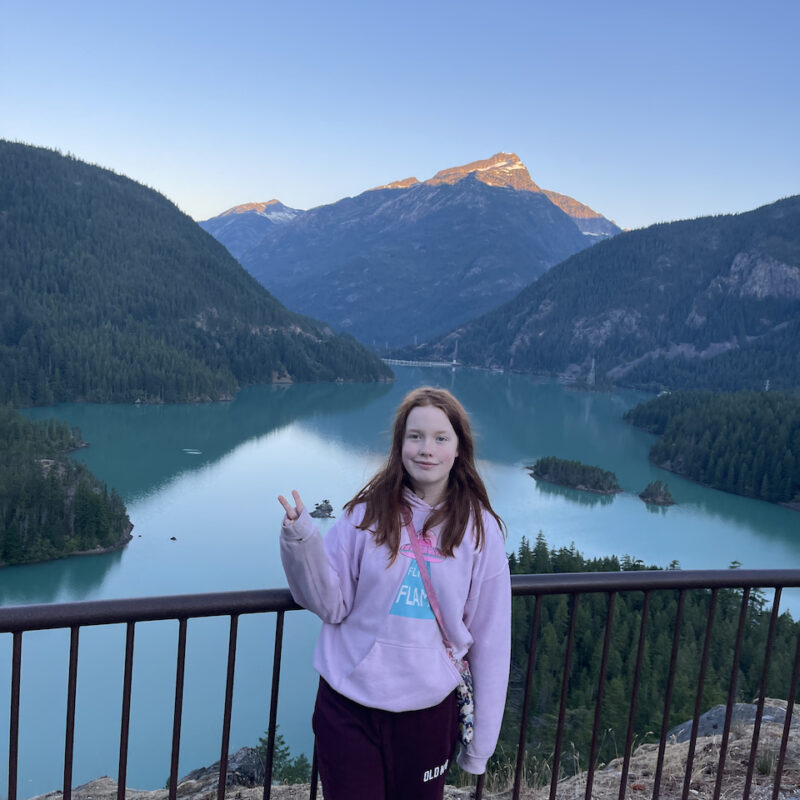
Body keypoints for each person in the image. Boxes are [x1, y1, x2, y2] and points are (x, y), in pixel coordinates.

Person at [278, 386, 511, 800]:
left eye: (441, 438)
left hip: (428, 712)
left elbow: (491, 640)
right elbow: (330, 603)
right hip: (348, 707)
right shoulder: (364, 515)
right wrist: (302, 540)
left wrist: (481, 746)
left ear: (459, 448)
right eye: (415, 436)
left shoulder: (479, 529)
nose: (427, 449)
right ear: (399, 444)